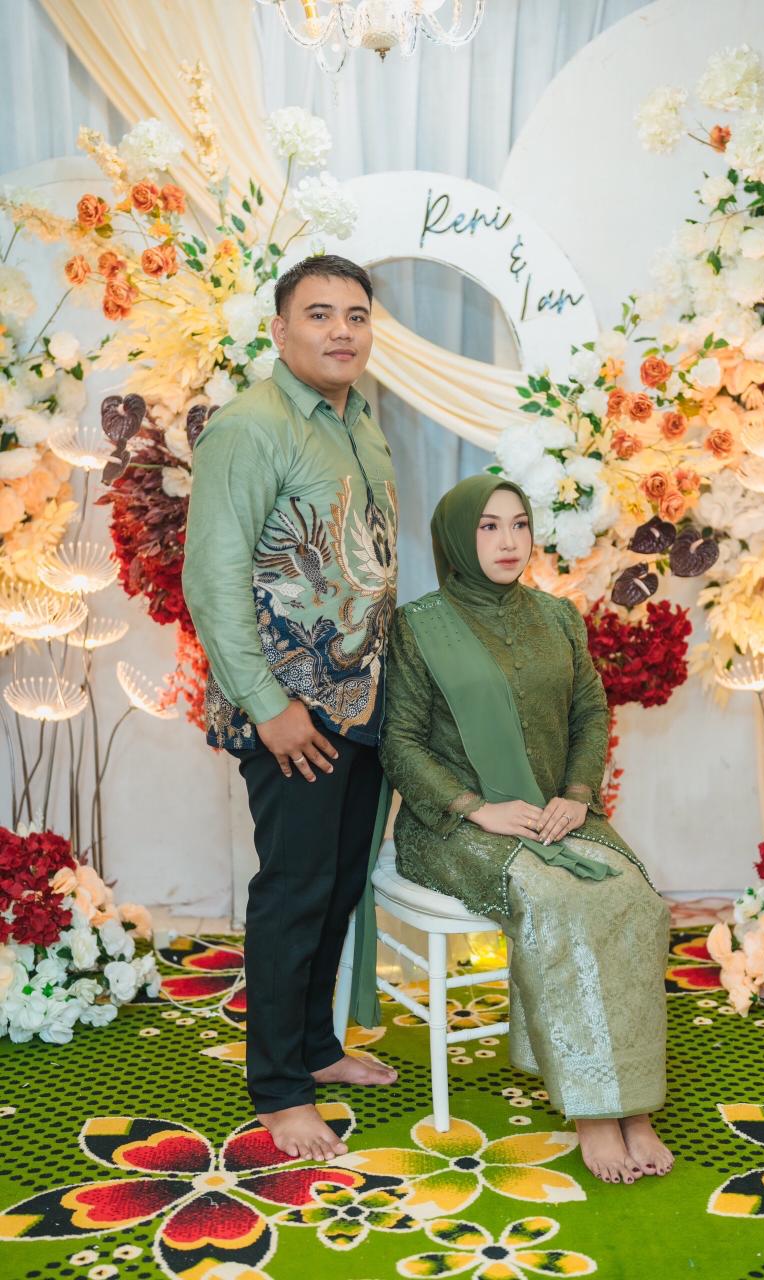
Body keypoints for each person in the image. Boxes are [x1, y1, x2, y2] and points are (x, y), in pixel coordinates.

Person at [379, 474, 673, 1185]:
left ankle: (635, 1103)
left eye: (518, 524)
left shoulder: (558, 617)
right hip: (452, 824)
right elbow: (399, 741)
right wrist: (474, 807)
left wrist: (577, 795)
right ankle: (595, 1109)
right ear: (457, 538)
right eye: (488, 526)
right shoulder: (419, 626)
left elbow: (590, 714)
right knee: (559, 899)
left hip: (553, 811)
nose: (508, 541)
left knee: (636, 899)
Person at [183, 254, 398, 1164]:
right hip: (288, 714)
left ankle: (314, 1046)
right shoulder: (249, 428)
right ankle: (279, 1091)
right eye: (319, 313)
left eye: (356, 314)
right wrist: (268, 706)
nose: (341, 330)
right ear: (279, 330)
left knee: (338, 884)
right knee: (294, 891)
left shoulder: (361, 422)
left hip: (361, 702)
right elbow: (212, 579)